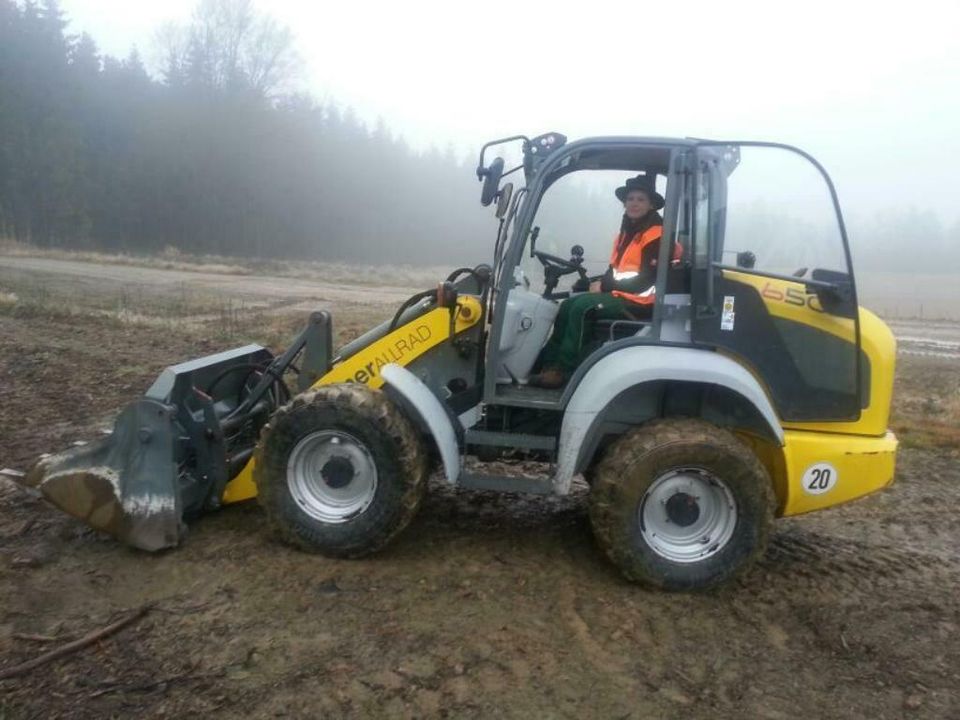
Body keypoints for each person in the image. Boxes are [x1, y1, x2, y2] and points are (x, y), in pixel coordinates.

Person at [528, 175, 669, 389]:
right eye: (630, 198)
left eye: (640, 199)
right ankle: (546, 365)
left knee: (582, 309)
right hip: (621, 294)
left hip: (641, 301)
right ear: (624, 203)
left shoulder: (655, 235)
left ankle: (563, 371)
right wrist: (590, 284)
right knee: (567, 306)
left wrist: (605, 286)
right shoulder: (627, 233)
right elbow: (615, 270)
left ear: (651, 205)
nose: (634, 203)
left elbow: (647, 280)